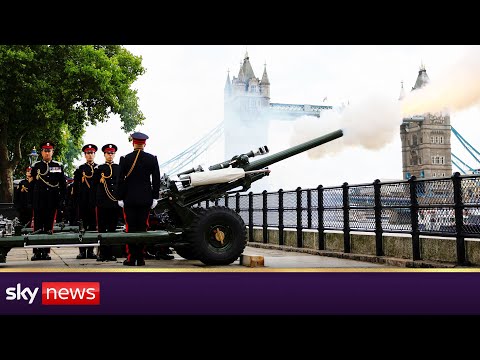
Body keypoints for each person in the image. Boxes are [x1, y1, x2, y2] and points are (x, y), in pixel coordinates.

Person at [116, 132, 161, 266]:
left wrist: (120, 197)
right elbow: (156, 180)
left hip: (129, 200)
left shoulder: (125, 158)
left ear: (133, 143)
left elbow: (120, 180)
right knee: (142, 228)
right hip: (145, 200)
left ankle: (131, 258)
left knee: (130, 228)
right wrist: (154, 197)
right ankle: (140, 258)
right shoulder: (152, 159)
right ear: (145, 143)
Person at [29, 141, 66, 261]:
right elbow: (32, 184)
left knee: (49, 227)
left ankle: (46, 251)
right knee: (38, 227)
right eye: (45, 150)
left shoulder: (57, 166)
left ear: (52, 152)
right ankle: (36, 252)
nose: (47, 153)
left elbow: (62, 185)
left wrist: (61, 201)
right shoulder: (36, 166)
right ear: (41, 152)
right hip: (39, 201)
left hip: (52, 200)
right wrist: (31, 201)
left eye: (49, 151)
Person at [92, 143, 121, 262]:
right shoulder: (99, 168)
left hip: (114, 202)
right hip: (103, 203)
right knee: (102, 229)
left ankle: (111, 253)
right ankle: (102, 253)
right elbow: (94, 186)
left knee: (113, 228)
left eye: (112, 153)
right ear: (104, 154)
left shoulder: (119, 168)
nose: (110, 155)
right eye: (108, 153)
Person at [72, 143, 98, 259]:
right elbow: (76, 187)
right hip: (82, 202)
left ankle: (91, 250)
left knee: (92, 227)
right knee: (82, 226)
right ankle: (82, 250)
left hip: (94, 202)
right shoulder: (80, 169)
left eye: (92, 153)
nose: (90, 155)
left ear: (94, 154)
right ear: (85, 155)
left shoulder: (99, 168)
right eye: (88, 153)